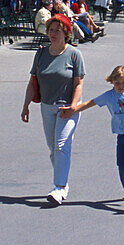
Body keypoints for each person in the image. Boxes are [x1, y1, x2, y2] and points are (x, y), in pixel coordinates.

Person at [60, 65, 124, 202]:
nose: (121, 86)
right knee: (121, 163)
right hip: (121, 133)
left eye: (123, 83)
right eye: (117, 83)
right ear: (112, 82)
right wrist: (72, 110)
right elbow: (89, 103)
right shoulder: (108, 96)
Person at [21, 15, 86, 206]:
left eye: (58, 30)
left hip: (68, 107)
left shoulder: (74, 54)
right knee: (53, 149)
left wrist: (74, 106)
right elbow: (33, 82)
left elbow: (79, 83)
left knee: (61, 146)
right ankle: (62, 184)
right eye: (51, 30)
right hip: (47, 107)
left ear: (66, 33)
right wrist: (25, 106)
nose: (53, 33)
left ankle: (58, 187)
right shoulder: (41, 53)